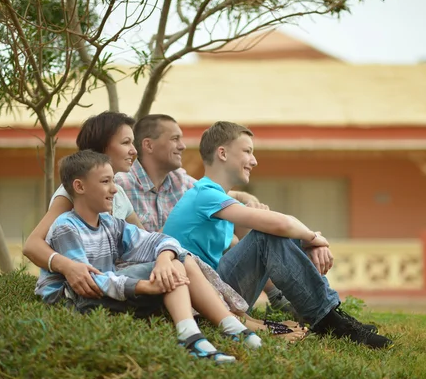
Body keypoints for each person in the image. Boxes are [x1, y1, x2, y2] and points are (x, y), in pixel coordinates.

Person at [162, 121, 394, 349]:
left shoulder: (216, 201)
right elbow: (280, 225)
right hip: (197, 301)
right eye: (247, 151)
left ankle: (329, 316)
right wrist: (314, 238)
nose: (254, 160)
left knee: (275, 234)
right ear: (222, 153)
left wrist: (306, 243)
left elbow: (253, 247)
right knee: (267, 234)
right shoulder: (205, 195)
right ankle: (327, 320)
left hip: (217, 292)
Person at [35, 150, 263, 363]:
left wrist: (164, 259)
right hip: (78, 300)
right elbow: (87, 282)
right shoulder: (66, 227)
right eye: (106, 182)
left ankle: (219, 329)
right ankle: (202, 335)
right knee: (175, 266)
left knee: (175, 260)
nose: (114, 189)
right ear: (79, 186)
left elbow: (159, 240)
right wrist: (143, 286)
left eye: (113, 180)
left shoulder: (110, 223)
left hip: (107, 291)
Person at [115, 114, 296, 315]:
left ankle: (274, 296)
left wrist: (249, 201)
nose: (183, 146)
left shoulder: (180, 180)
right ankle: (248, 313)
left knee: (234, 236)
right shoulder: (119, 185)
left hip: (194, 268)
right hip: (153, 271)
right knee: (230, 238)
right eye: (175, 139)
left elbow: (219, 194)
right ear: (148, 145)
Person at [24, 112, 142, 299]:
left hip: (113, 281)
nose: (134, 150)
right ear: (101, 147)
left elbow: (145, 240)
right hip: (84, 290)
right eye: (126, 142)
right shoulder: (73, 193)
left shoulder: (118, 194)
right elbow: (32, 245)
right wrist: (69, 267)